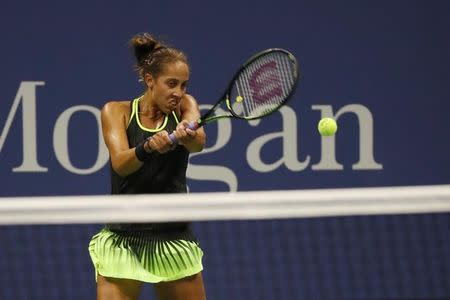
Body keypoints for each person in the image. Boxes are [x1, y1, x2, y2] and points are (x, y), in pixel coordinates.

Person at [88, 32, 207, 300]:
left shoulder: (185, 105)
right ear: (150, 80)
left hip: (173, 238)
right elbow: (120, 163)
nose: (179, 93)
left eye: (184, 85)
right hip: (123, 239)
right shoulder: (116, 111)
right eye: (172, 84)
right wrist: (149, 147)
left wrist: (188, 131)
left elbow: (198, 141)